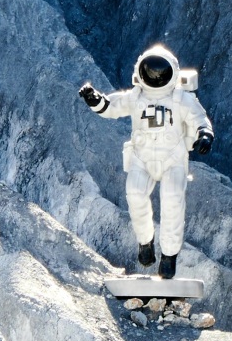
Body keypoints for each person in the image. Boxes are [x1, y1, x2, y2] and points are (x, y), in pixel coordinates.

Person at [79, 44, 213, 280]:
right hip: (142, 158)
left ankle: (169, 256)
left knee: (172, 201)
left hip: (173, 159)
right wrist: (94, 99)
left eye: (160, 72)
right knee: (135, 194)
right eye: (151, 72)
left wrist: (204, 134)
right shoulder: (136, 97)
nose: (156, 76)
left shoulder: (181, 99)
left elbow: (199, 118)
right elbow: (111, 107)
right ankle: (145, 242)